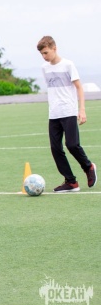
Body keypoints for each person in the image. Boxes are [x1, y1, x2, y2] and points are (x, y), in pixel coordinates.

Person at [37, 36, 96, 192]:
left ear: (54, 48)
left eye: (46, 52)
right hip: (53, 114)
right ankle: (71, 182)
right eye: (42, 54)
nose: (44, 56)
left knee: (72, 145)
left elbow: (79, 88)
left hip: (68, 111)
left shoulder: (68, 65)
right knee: (55, 148)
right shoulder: (44, 68)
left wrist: (82, 109)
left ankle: (88, 167)